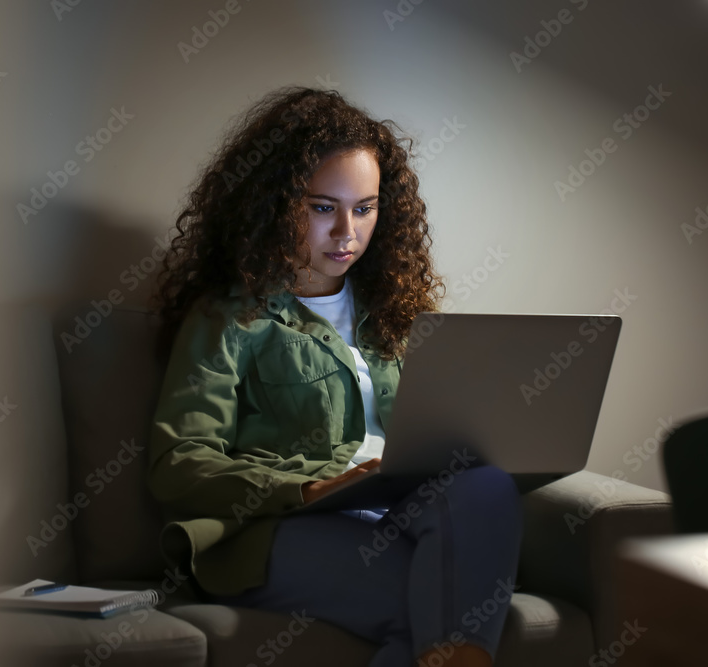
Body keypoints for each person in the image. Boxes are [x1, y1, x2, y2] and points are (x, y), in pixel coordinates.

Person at [147, 87, 523, 667]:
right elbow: (180, 464)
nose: (347, 232)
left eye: (365, 208)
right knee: (440, 603)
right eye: (323, 207)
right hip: (281, 526)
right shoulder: (228, 317)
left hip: (396, 509)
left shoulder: (400, 316)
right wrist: (308, 488)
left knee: (489, 485)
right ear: (272, 203)